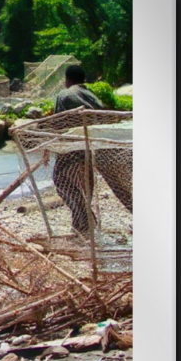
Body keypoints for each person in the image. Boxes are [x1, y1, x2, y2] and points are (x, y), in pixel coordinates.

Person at [51, 65, 133, 235]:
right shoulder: (92, 96)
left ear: (67, 80)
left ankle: (84, 220)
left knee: (61, 180)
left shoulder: (64, 94)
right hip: (100, 147)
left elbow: (59, 124)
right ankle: (81, 222)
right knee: (117, 187)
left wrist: (52, 145)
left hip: (76, 146)